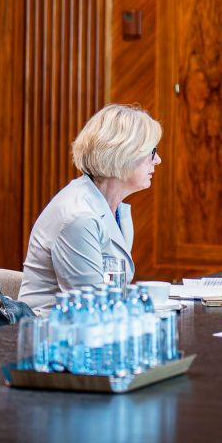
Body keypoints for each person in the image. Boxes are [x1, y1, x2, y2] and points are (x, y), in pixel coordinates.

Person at [18, 103, 162, 311]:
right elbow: (92, 308)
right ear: (123, 154)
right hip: (55, 335)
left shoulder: (115, 208)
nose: (157, 160)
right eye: (151, 151)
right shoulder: (79, 217)